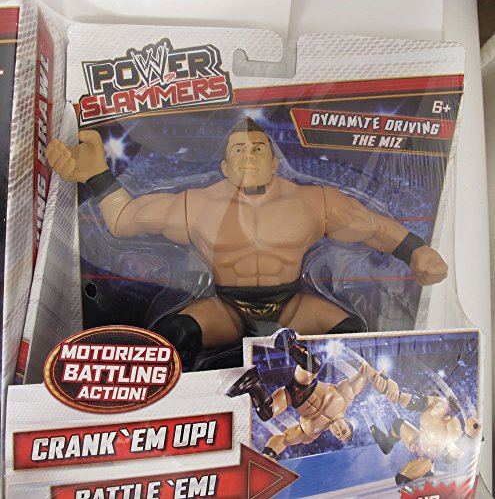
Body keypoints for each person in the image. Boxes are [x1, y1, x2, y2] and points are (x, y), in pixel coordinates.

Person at [46, 118, 448, 369]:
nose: (249, 155)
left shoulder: (314, 202)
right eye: (239, 149)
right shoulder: (197, 205)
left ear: (274, 163)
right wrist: (96, 174)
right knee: (173, 336)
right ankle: (184, 418)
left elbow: (373, 228)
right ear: (224, 166)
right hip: (227, 309)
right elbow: (123, 221)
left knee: (351, 336)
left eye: (258, 149)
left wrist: (415, 250)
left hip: (292, 306)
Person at [226, 328, 391, 459]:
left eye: (339, 435)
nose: (339, 431)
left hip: (291, 397)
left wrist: (268, 455)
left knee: (266, 413)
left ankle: (251, 382)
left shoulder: (312, 433)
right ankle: (289, 342)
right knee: (313, 364)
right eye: (344, 430)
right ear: (347, 422)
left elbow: (283, 439)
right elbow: (365, 372)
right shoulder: (346, 397)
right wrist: (382, 381)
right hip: (305, 384)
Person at [370, 380, 481, 487]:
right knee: (398, 424)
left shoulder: (453, 428)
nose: (437, 407)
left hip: (426, 458)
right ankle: (387, 445)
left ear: (448, 416)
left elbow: (448, 457)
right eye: (441, 404)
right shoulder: (436, 402)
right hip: (418, 441)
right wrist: (398, 397)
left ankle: (424, 477)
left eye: (442, 407)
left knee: (401, 479)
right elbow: (416, 402)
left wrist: (468, 436)